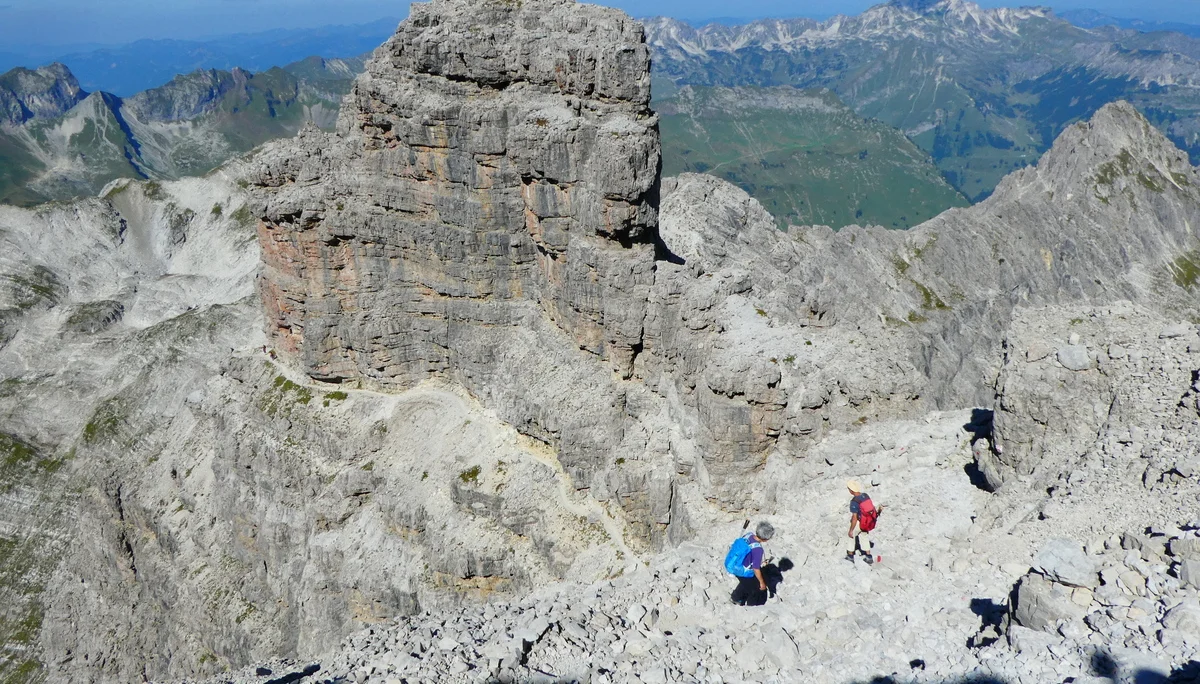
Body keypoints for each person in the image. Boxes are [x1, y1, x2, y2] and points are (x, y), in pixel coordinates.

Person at [728, 522, 774, 606]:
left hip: (735, 564)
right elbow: (756, 568)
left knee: (746, 582)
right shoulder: (758, 549)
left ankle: (736, 597)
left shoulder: (748, 535)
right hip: (743, 571)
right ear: (765, 539)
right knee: (756, 589)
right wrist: (762, 583)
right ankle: (752, 607)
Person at [845, 480, 883, 564]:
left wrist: (851, 530)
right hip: (867, 522)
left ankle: (850, 556)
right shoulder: (865, 495)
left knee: (851, 537)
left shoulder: (854, 501)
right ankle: (868, 556)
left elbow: (854, 518)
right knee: (864, 537)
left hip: (859, 522)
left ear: (851, 490)